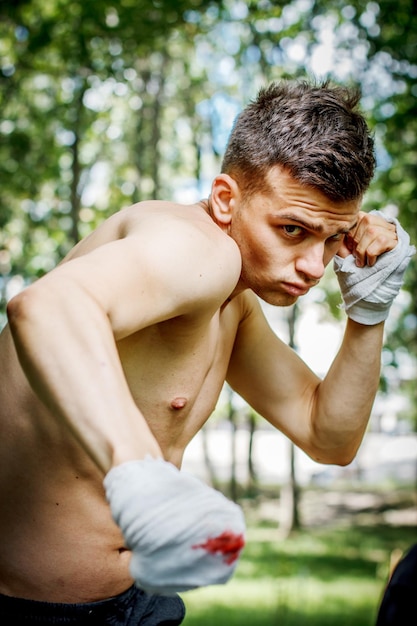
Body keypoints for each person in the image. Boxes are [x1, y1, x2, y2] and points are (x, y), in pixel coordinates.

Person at [0, 79, 414, 625]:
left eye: (333, 238)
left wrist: (369, 308)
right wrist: (146, 481)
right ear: (225, 200)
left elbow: (328, 436)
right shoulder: (198, 247)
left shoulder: (235, 305)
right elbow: (45, 306)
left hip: (136, 604)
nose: (315, 266)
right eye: (292, 230)